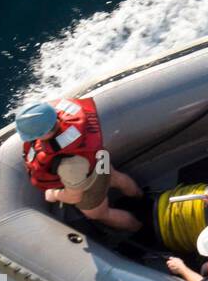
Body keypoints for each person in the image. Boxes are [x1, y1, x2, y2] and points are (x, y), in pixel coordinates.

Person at [16, 99, 142, 233]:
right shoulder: (69, 119)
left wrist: (53, 194)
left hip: (90, 183)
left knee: (100, 214)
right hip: (100, 159)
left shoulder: (67, 164)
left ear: (44, 134)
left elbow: (74, 196)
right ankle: (140, 197)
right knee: (115, 177)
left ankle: (139, 228)